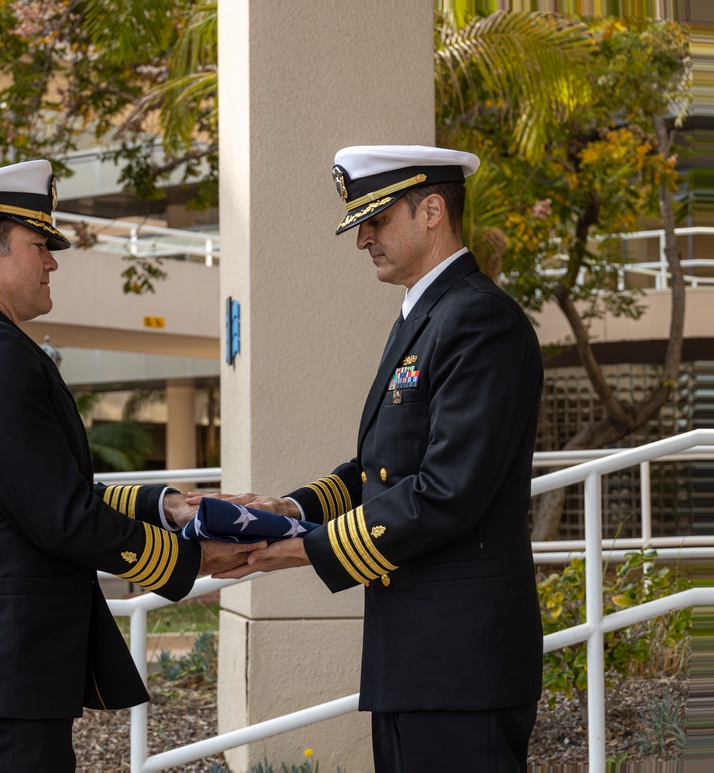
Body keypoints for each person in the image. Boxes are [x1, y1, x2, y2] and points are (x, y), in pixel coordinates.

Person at [0, 160, 261, 770]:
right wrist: (195, 559)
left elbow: (38, 490)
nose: (53, 261)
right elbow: (61, 517)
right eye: (40, 245)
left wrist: (164, 506)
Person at [200, 146, 544, 771]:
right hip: (417, 655)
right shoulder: (428, 314)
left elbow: (446, 492)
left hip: (462, 663)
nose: (363, 240)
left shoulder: (480, 321)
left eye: (376, 220)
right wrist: (290, 508)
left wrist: (305, 547)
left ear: (433, 210)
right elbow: (378, 469)